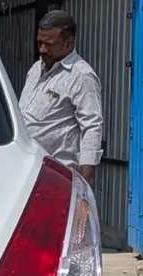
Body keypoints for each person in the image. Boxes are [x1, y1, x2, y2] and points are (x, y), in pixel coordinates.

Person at [18, 10, 103, 183]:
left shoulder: (81, 76)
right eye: (39, 42)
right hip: (25, 169)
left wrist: (85, 185)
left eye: (48, 44)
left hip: (55, 177)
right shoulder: (35, 69)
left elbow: (92, 127)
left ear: (68, 43)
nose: (41, 49)